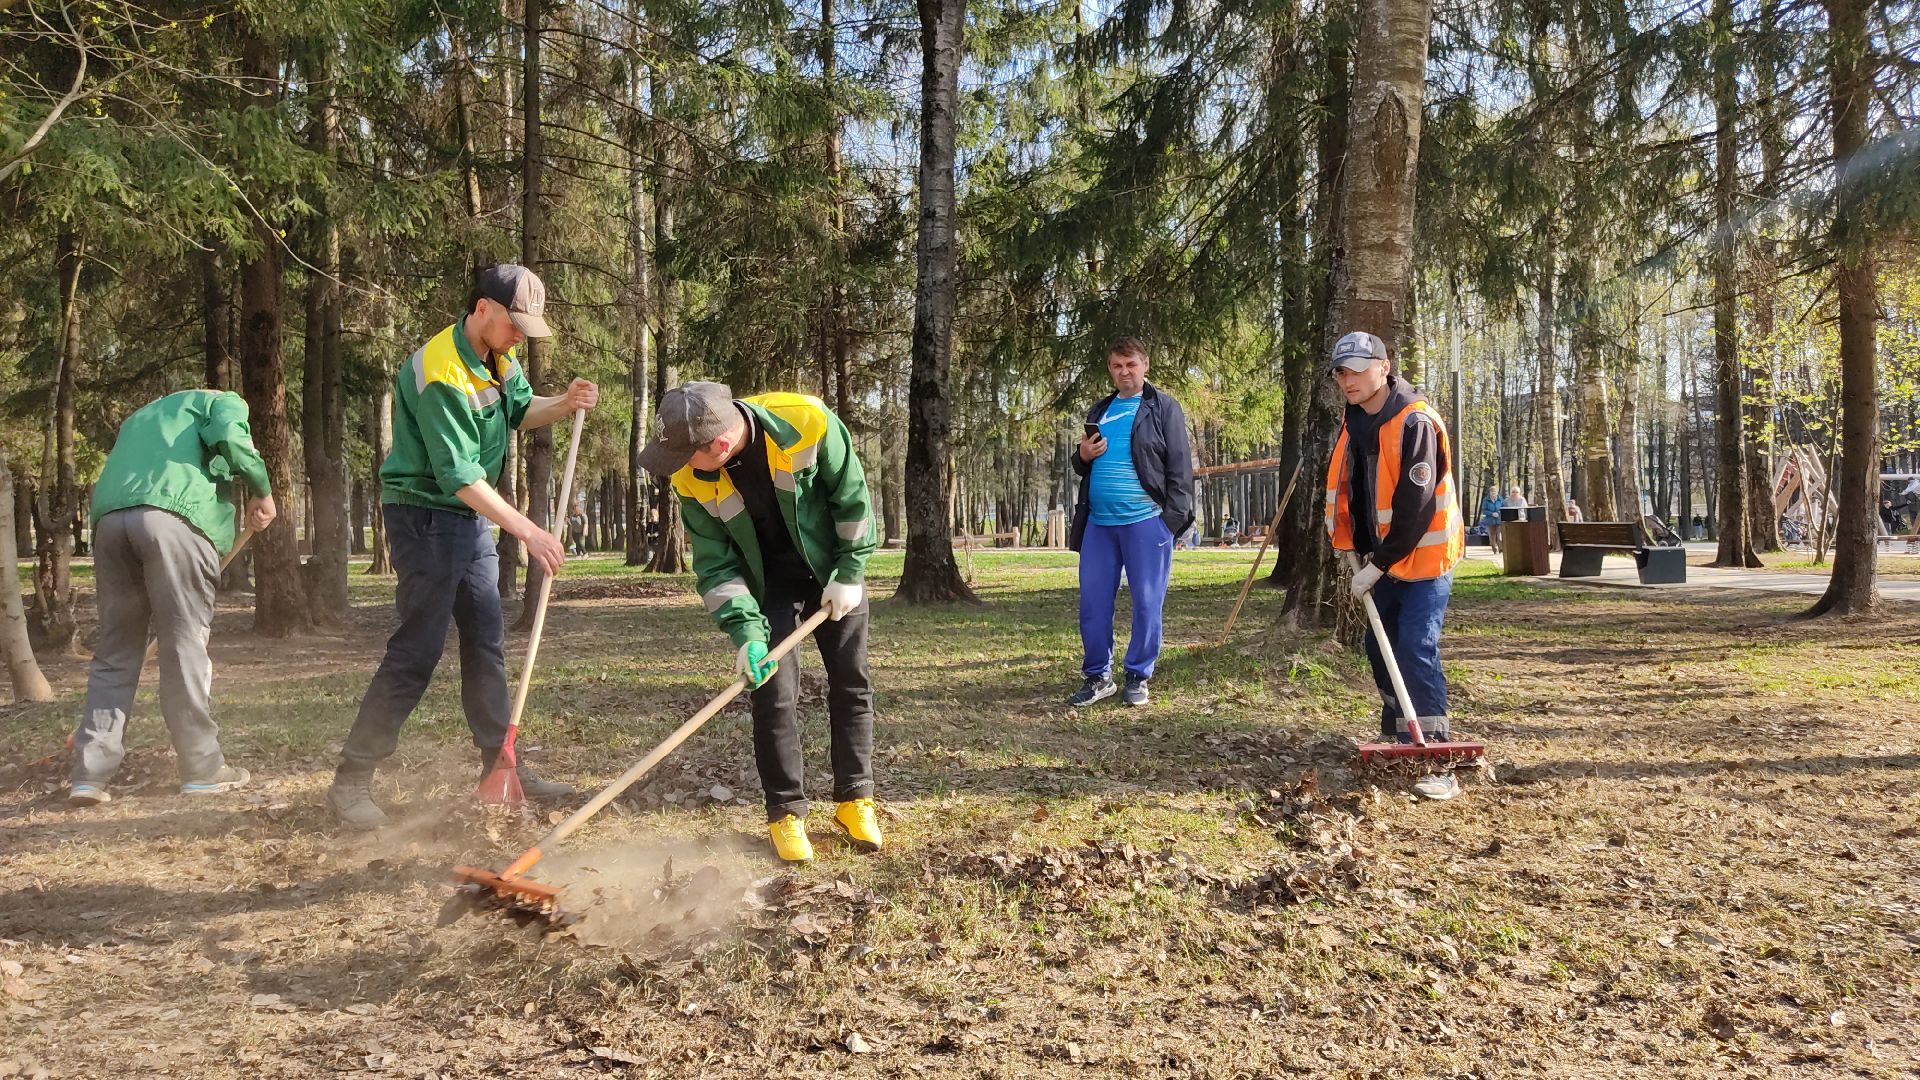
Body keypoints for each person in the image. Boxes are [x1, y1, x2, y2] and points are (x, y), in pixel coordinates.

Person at [328, 264, 598, 830]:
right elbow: (458, 476)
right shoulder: (441, 370)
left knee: (486, 642)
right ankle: (352, 780)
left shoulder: (499, 357)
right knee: (417, 651)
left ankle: (500, 767)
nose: (520, 336)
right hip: (425, 516)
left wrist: (565, 402)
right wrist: (527, 530)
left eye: (527, 328)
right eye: (513, 324)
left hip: (469, 522)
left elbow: (523, 411)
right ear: (481, 309)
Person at [638, 381, 879, 863]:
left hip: (831, 571)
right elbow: (715, 565)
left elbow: (851, 498)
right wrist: (746, 632)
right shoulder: (692, 479)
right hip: (768, 585)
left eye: (686, 455)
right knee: (773, 694)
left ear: (720, 445)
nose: (679, 468)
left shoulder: (805, 422)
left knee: (851, 684)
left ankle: (856, 801)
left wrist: (850, 572)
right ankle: (786, 813)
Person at [67, 391, 278, 806]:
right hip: (174, 521)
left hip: (110, 523)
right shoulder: (222, 400)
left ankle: (89, 775)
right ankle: (202, 768)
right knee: (184, 644)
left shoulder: (141, 415)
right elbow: (232, 440)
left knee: (115, 651)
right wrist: (262, 490)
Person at [1323, 330, 1465, 747]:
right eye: (1342, 373)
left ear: (1383, 368)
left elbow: (1415, 507)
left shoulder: (1414, 421)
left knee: (1414, 645)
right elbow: (1353, 486)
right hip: (1379, 558)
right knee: (1377, 646)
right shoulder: (1356, 422)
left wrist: (1378, 566)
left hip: (1424, 557)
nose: (1349, 381)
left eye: (1359, 371)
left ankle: (1435, 747)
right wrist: (1351, 537)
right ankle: (1402, 732)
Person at [1067, 337, 1195, 708]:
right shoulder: (1102, 408)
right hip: (1099, 525)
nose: (1124, 372)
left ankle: (1138, 675)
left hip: (1146, 523)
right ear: (1110, 369)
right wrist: (1083, 454)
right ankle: (1097, 676)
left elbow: (1180, 470)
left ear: (1145, 365)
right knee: (1092, 603)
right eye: (1117, 366)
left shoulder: (1163, 408)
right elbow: (1081, 465)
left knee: (1146, 603)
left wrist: (1168, 523)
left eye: (1131, 365)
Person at [1480, 486, 1503, 552]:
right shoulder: (1486, 500)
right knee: (1492, 538)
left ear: (1497, 492)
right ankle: (1494, 549)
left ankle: (1500, 548)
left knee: (1499, 537)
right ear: (1490, 493)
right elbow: (1484, 510)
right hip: (1490, 521)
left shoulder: (1500, 499)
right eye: (1492, 491)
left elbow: (1503, 508)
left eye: (1495, 491)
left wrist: (1498, 513)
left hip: (1499, 520)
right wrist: (1491, 514)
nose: (1493, 493)